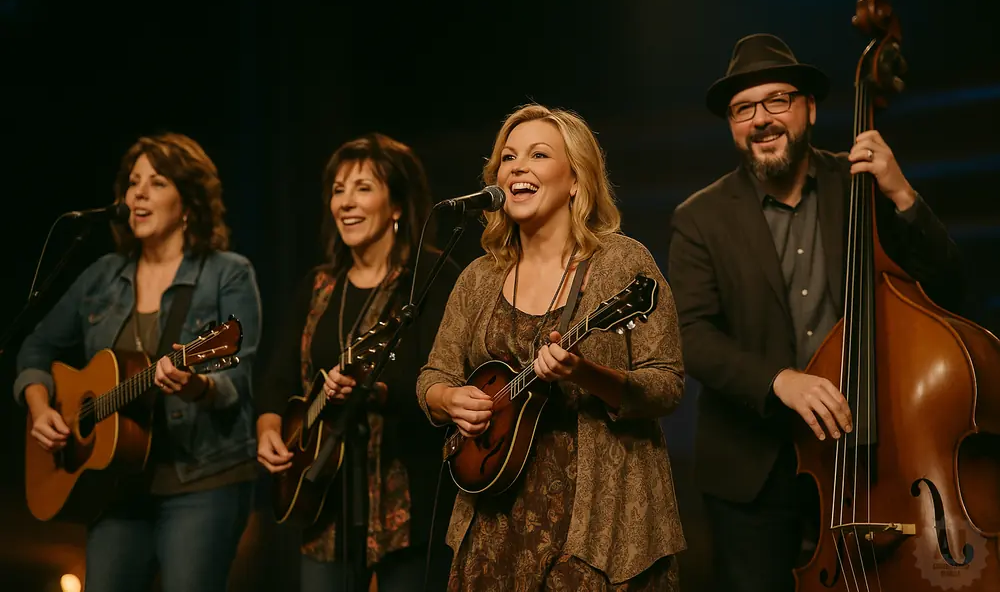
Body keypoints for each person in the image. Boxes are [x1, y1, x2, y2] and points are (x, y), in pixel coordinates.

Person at [667, 33, 965, 592]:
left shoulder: (862, 184)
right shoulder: (698, 218)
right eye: (743, 109)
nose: (761, 118)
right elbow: (690, 335)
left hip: (873, 457)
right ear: (732, 125)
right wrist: (779, 380)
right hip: (754, 476)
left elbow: (950, 287)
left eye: (777, 100)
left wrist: (900, 192)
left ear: (808, 107)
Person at [417, 103, 686, 591]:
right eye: (507, 157)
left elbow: (666, 386)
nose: (517, 167)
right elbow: (432, 376)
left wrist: (586, 374)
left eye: (538, 155)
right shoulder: (478, 278)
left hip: (597, 526)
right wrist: (449, 399)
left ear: (577, 180)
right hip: (494, 524)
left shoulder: (623, 265)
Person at [14, 132, 263, 592]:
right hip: (114, 488)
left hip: (202, 481)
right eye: (133, 182)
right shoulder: (103, 276)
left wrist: (195, 385)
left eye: (157, 182)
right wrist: (40, 406)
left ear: (188, 202)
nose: (138, 194)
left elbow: (236, 377)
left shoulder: (227, 273)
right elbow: (35, 346)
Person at [255, 133, 461, 592]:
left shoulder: (427, 279)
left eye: (363, 188)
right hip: (322, 504)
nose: (346, 202)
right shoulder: (319, 285)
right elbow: (277, 379)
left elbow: (442, 373)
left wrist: (378, 391)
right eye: (338, 189)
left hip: (406, 497)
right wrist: (269, 431)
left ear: (397, 206)